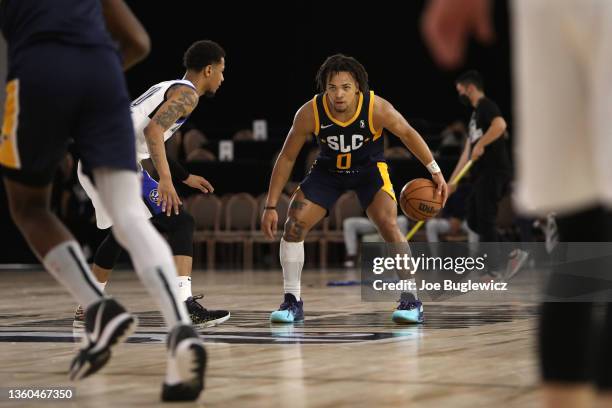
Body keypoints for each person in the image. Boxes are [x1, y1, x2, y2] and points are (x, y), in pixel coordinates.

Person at [0, 0, 204, 401]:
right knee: (130, 216)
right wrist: (91, 78)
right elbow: (139, 41)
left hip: (37, 74)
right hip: (102, 74)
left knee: (29, 207)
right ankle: (180, 330)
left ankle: (98, 306)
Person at [422, 1, 612, 407]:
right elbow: (472, 146)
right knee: (582, 232)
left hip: (547, 14)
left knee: (582, 232)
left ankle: (496, 271)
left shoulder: (486, 108)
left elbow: (497, 130)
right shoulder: (475, 113)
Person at [261, 54, 448, 324]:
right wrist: (270, 204)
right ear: (324, 88)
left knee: (388, 223)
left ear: (358, 87)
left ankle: (411, 299)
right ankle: (292, 301)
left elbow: (407, 133)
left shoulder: (376, 107)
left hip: (368, 171)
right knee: (294, 225)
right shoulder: (309, 112)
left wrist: (435, 171)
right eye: (332, 87)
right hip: (328, 171)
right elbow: (287, 157)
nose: (338, 94)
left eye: (345, 87)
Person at [74, 40, 230, 329]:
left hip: (97, 159)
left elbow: (150, 139)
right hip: (113, 162)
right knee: (181, 222)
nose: (223, 78)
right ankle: (185, 307)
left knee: (122, 233)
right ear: (209, 69)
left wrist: (183, 176)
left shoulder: (169, 87)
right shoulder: (187, 96)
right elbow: (153, 131)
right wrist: (166, 181)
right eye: (221, 71)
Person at [449, 70, 512, 273]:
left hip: (494, 171)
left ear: (470, 88)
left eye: (460, 91)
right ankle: (510, 251)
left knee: (485, 218)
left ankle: (492, 271)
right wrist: (452, 181)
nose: (460, 96)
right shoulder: (474, 117)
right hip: (480, 175)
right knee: (473, 219)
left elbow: (501, 124)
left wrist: (482, 143)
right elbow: (467, 152)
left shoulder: (486, 105)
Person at [342, 215, 409, 268]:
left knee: (402, 220)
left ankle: (399, 257)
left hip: (392, 221)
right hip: (371, 221)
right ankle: (351, 256)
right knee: (349, 223)